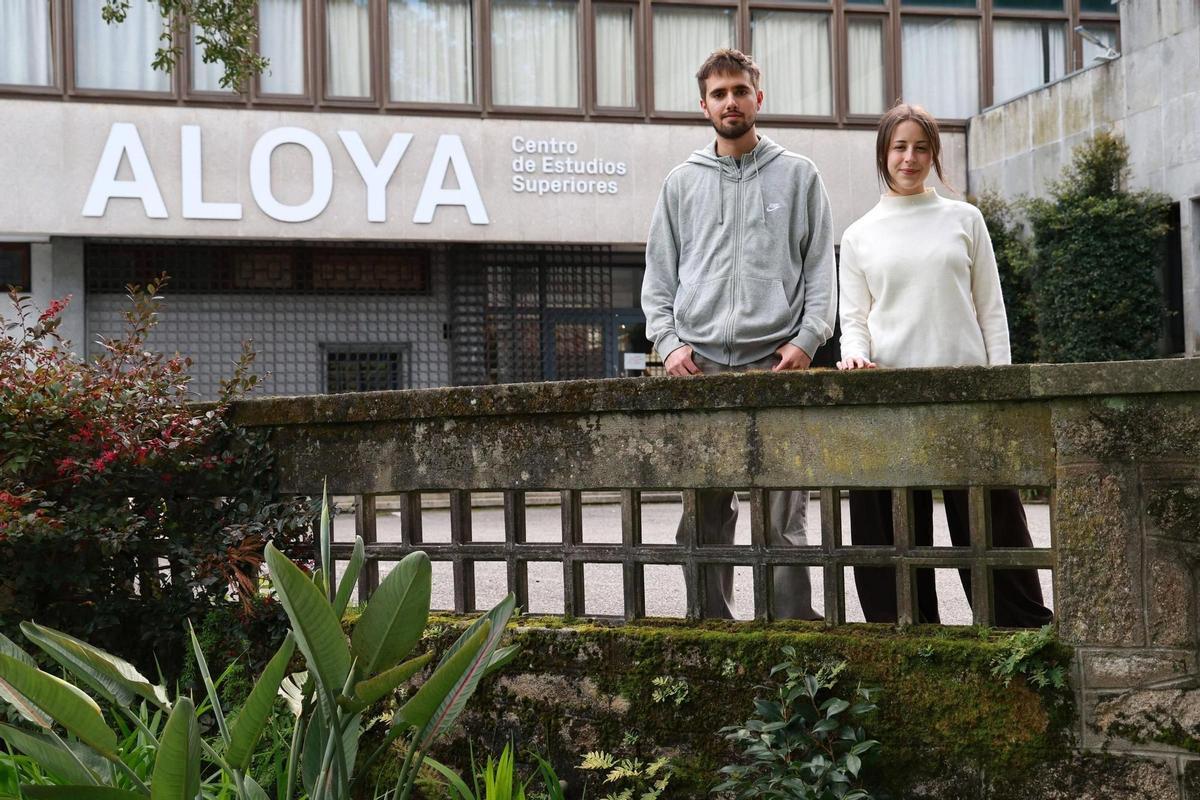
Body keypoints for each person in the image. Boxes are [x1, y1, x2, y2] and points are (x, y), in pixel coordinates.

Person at [836, 102, 1053, 628]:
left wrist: (1002, 383)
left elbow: (990, 309)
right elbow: (855, 318)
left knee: (987, 518)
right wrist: (854, 354)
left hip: (968, 391)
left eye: (921, 147)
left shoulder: (965, 219)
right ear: (883, 154)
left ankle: (1017, 627)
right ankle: (904, 629)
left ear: (934, 153)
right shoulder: (861, 233)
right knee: (891, 522)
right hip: (891, 394)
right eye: (899, 147)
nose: (909, 158)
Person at [641, 48, 837, 620]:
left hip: (777, 367)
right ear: (704, 105)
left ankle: (794, 644)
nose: (731, 101)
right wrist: (671, 345)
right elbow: (658, 282)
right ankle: (713, 633)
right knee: (702, 516)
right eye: (719, 94)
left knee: (784, 520)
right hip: (699, 370)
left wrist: (808, 338)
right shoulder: (681, 183)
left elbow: (821, 270)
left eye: (740, 91)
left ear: (759, 97)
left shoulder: (799, 175)